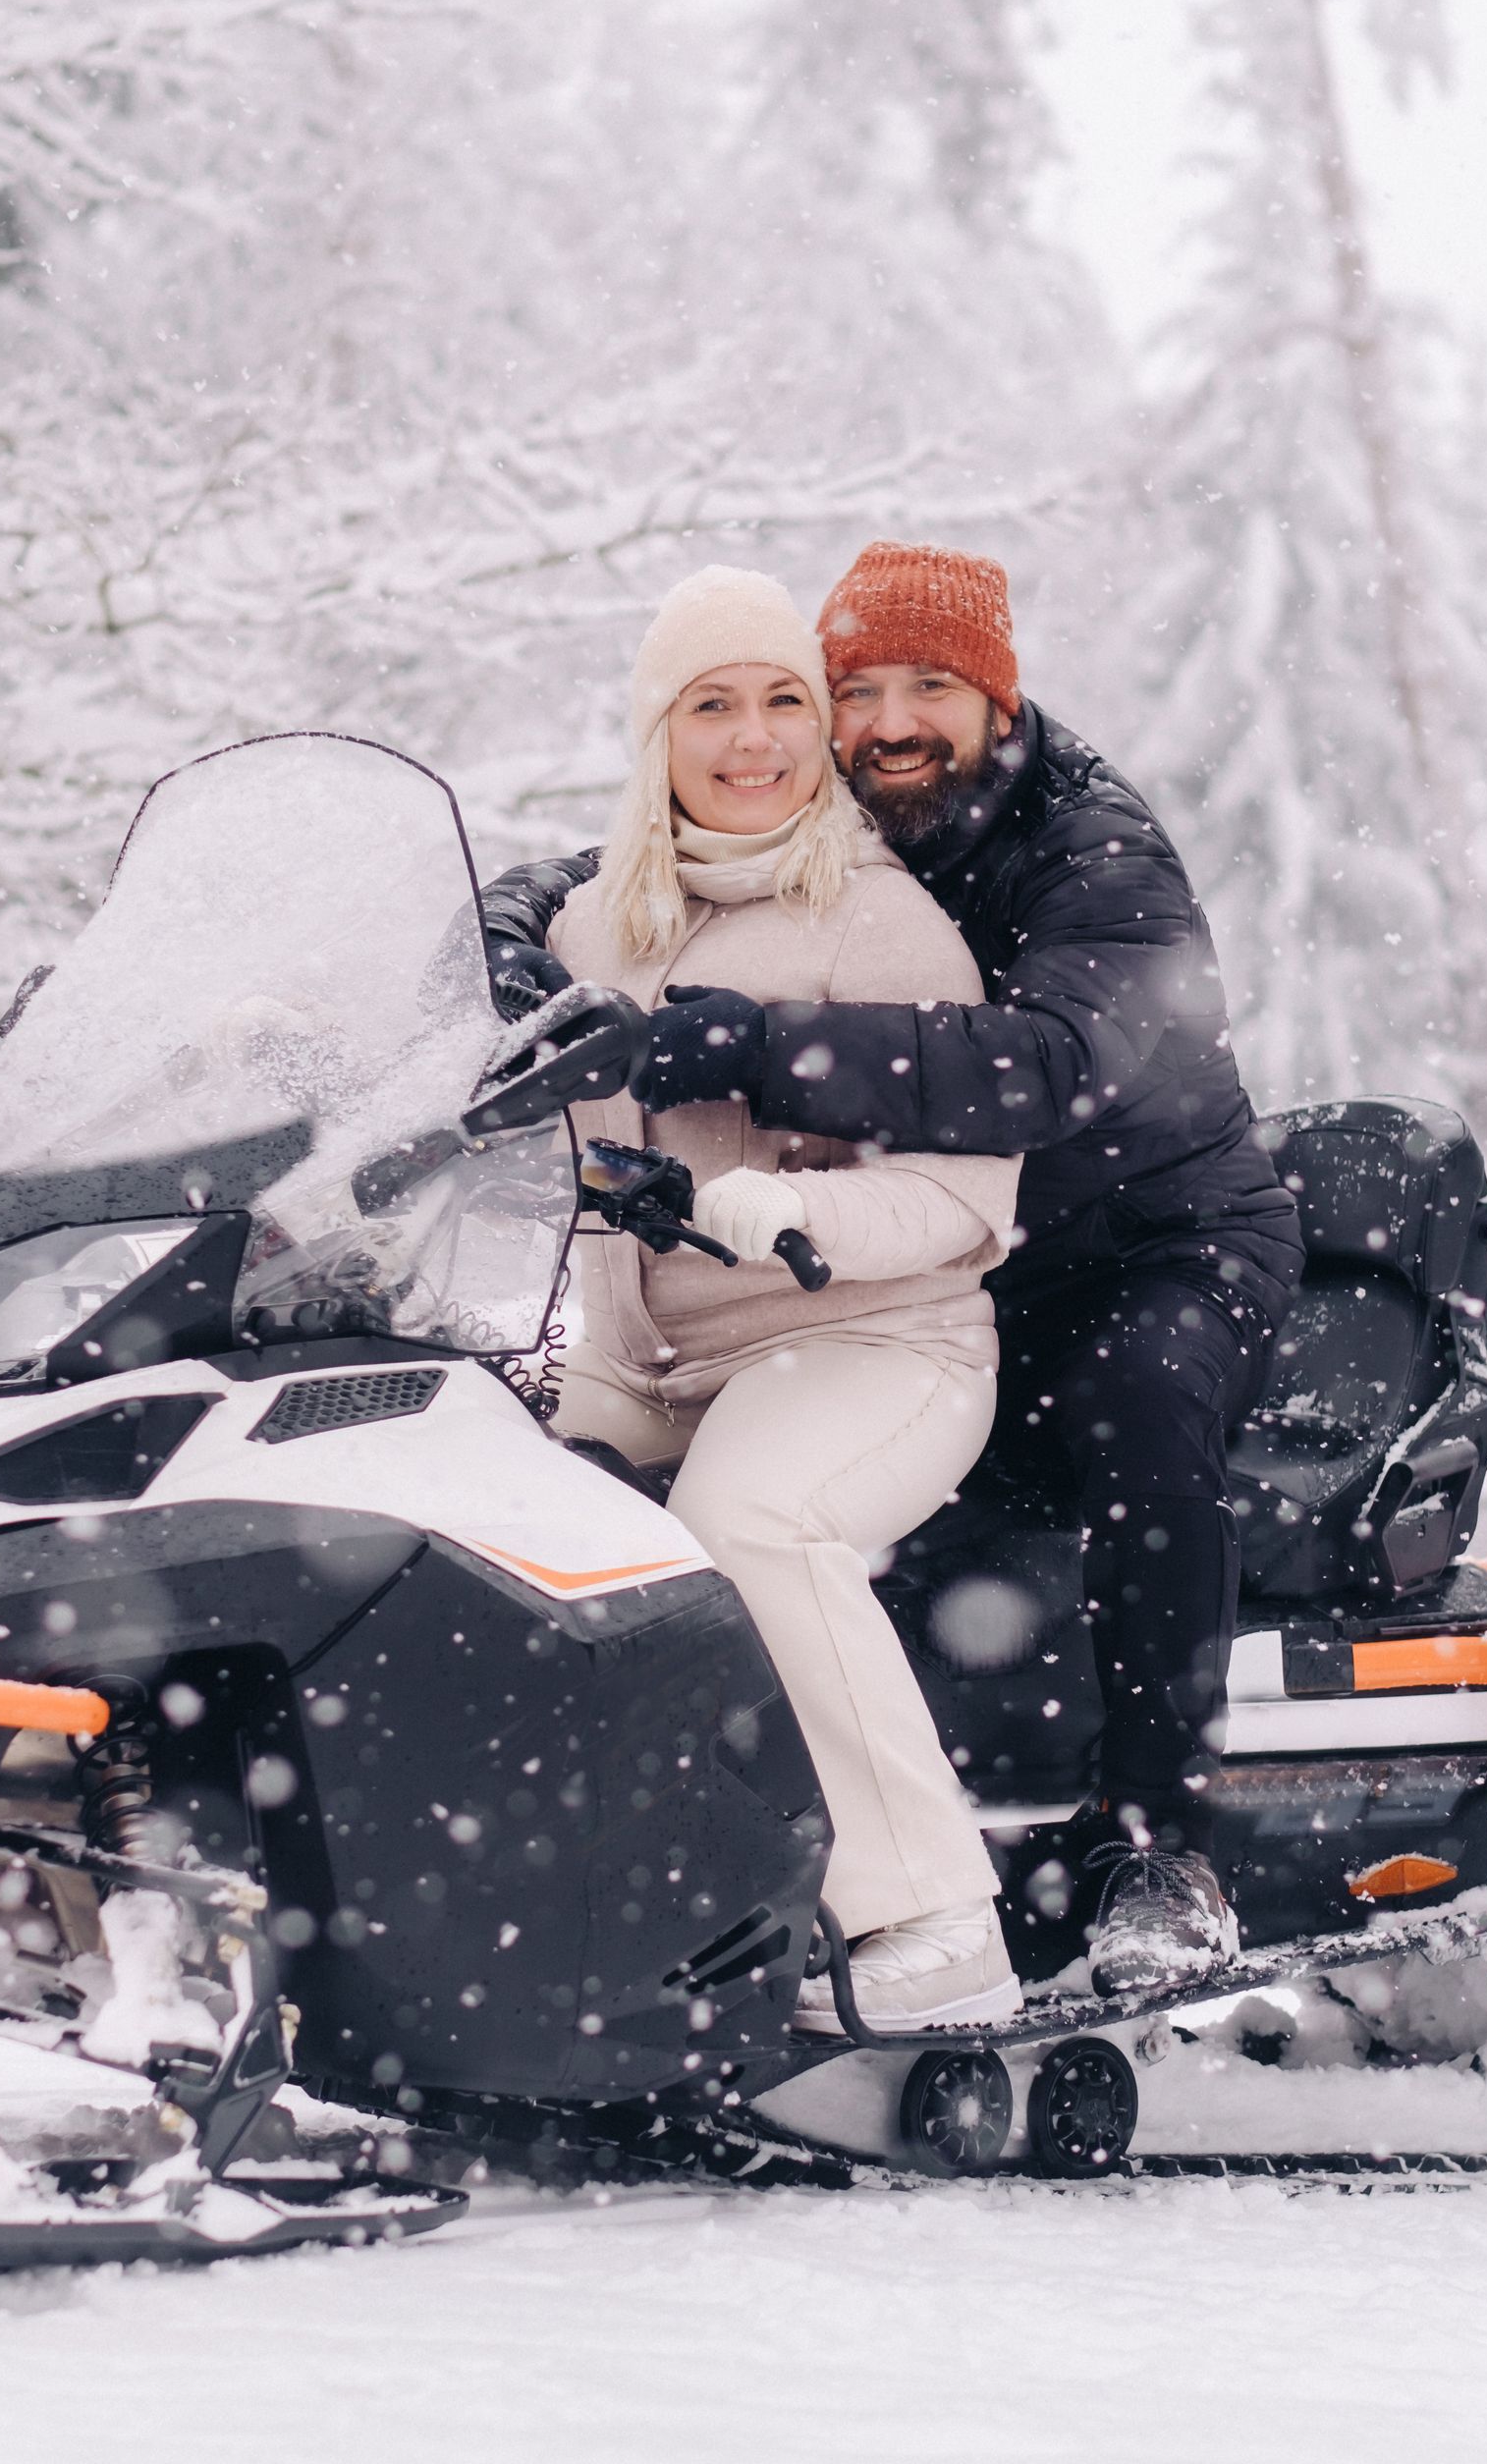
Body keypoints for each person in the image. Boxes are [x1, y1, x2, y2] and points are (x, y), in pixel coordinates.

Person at [482, 542, 1301, 1991]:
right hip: (929, 1259)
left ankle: (1162, 1849)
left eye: (933, 684)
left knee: (1141, 1414)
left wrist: (734, 1043)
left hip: (1151, 1238)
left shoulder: (1092, 848)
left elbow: (1053, 1067)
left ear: (1000, 695)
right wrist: (505, 923)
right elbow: (666, 829)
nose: (888, 719)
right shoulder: (840, 786)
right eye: (855, 689)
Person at [543, 565, 1024, 2033]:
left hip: (878, 1341)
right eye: (710, 707)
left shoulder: (878, 925)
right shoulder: (598, 925)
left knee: (749, 1519)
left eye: (780, 706)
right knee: (478, 1532)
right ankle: (587, 1916)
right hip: (649, 1353)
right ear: (656, 734)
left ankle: (936, 1920)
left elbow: (969, 1198)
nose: (750, 741)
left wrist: (797, 1206)